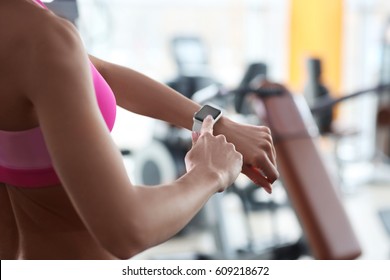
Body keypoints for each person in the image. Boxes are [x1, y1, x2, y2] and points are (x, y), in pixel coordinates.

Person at [0, 0, 278, 260]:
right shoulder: (42, 37)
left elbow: (94, 71)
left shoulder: (26, 27)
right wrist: (210, 172)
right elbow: (127, 229)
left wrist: (216, 123)